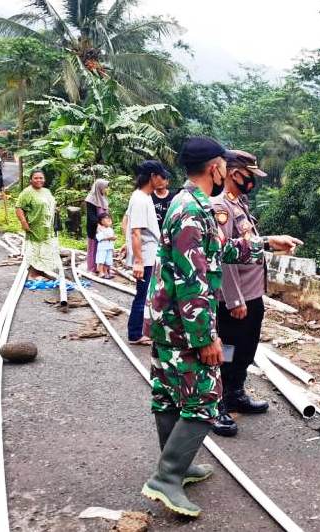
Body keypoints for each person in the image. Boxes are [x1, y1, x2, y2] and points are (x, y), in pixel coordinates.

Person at [141, 137, 265, 518]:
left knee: (167, 395)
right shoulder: (192, 213)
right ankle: (167, 477)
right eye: (225, 165)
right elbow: (191, 281)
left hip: (168, 321)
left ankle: (176, 466)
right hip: (183, 327)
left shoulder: (189, 204)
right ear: (215, 168)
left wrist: (267, 245)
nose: (227, 171)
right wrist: (206, 338)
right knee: (205, 399)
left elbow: (218, 250)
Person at [211, 150, 302, 437]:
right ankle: (216, 403)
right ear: (234, 173)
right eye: (249, 175)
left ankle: (235, 392)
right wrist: (234, 298)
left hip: (252, 293)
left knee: (246, 348)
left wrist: (273, 243)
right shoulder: (219, 206)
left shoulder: (239, 202)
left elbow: (249, 242)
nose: (252, 181)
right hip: (233, 297)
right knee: (226, 351)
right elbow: (224, 256)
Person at [124, 160, 166, 346]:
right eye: (161, 176)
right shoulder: (141, 199)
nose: (163, 180)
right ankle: (135, 334)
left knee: (146, 295)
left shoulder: (144, 196)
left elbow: (129, 224)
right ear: (152, 177)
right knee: (142, 295)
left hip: (149, 254)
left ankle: (142, 330)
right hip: (146, 257)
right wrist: (138, 261)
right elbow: (136, 232)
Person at [15, 170, 60, 279]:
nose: (39, 180)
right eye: (36, 178)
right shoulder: (27, 192)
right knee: (35, 248)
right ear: (31, 180)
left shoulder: (46, 191)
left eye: (41, 178)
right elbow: (18, 207)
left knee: (45, 249)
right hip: (34, 226)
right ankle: (33, 273)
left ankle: (41, 270)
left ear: (44, 179)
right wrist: (23, 222)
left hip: (48, 227)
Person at [84, 178, 109, 273]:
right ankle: (92, 268)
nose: (106, 189)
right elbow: (91, 216)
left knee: (103, 248)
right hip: (94, 228)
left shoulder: (103, 198)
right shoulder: (91, 199)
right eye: (105, 187)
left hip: (104, 228)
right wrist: (100, 225)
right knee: (93, 248)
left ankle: (103, 269)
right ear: (99, 187)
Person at [95, 214, 116, 279]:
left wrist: (113, 248)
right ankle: (101, 272)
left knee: (108, 260)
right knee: (101, 260)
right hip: (102, 247)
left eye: (109, 218)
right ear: (101, 221)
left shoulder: (110, 229)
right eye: (106, 218)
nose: (108, 219)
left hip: (109, 247)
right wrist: (109, 238)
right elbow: (99, 238)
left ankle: (106, 272)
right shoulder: (100, 228)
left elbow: (112, 239)